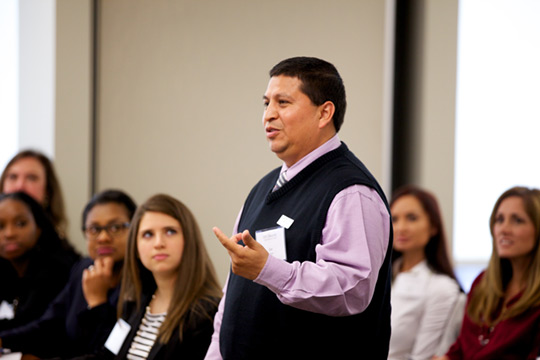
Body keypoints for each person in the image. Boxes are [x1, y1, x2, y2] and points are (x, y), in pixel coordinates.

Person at [206, 56, 393, 359]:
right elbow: (232, 297)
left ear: (324, 113)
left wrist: (269, 270)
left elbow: (351, 290)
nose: (268, 115)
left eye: (283, 102)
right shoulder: (262, 188)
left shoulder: (350, 191)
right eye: (266, 103)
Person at [0, 189, 136, 359]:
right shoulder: (83, 268)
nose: (103, 237)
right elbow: (48, 324)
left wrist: (98, 302)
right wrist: (2, 340)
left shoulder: (141, 282)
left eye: (115, 227)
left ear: (135, 229)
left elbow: (108, 352)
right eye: (94, 229)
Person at [93, 194, 221, 359]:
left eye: (170, 231)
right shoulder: (134, 304)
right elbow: (106, 357)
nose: (159, 243)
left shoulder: (207, 314)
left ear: (189, 241)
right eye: (148, 234)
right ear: (135, 248)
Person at [433, 186, 540, 360]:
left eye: (517, 220)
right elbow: (460, 349)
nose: (503, 229)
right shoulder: (483, 283)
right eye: (499, 219)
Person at [388, 185, 463, 360]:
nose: (401, 227)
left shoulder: (440, 287)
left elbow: (423, 357)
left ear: (433, 227)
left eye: (412, 218)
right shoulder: (376, 278)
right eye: (394, 219)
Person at [0, 192, 77, 332]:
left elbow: (34, 324)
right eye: (1, 226)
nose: (9, 233)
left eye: (20, 224)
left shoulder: (57, 269)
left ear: (38, 228)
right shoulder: (7, 269)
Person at [1, 150, 68, 238]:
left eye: (31, 178)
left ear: (48, 190)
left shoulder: (60, 244)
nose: (20, 186)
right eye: (13, 177)